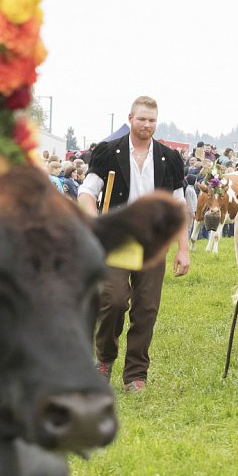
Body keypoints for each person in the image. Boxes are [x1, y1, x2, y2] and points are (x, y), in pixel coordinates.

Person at [78, 95, 191, 393]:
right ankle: (104, 359)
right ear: (130, 118)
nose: (147, 125)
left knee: (146, 309)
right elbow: (87, 193)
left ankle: (135, 375)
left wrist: (183, 249)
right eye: (142, 119)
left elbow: (179, 206)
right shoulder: (108, 152)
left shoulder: (169, 158)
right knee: (113, 301)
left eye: (152, 120)